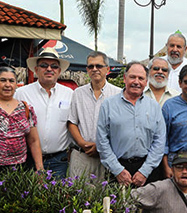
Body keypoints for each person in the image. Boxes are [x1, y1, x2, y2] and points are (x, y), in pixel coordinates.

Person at [96, 61, 165, 187]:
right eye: (132, 77)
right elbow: (102, 141)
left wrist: (144, 171)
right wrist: (118, 170)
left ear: (146, 82)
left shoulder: (154, 106)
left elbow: (159, 141)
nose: (136, 82)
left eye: (141, 78)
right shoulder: (108, 105)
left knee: (148, 206)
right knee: (117, 207)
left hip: (148, 170)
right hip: (117, 169)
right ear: (124, 78)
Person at [15, 47, 73, 178]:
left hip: (59, 160)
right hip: (29, 159)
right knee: (29, 197)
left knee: (58, 197)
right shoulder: (21, 93)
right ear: (36, 69)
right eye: (44, 65)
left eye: (54, 66)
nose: (49, 69)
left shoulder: (69, 94)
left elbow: (73, 123)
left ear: (59, 71)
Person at [68, 51, 121, 181]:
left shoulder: (118, 94)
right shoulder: (78, 93)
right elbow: (72, 122)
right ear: (87, 70)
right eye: (91, 66)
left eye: (99, 66)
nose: (95, 69)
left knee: (104, 198)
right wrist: (81, 143)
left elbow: (121, 127)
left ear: (107, 69)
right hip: (81, 155)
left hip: (107, 157)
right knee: (76, 195)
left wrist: (100, 146)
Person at [0, 67, 43, 171]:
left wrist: (40, 168)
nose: (7, 85)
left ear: (16, 84)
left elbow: (33, 141)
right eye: (2, 80)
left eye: (11, 81)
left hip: (20, 168)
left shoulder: (25, 108)